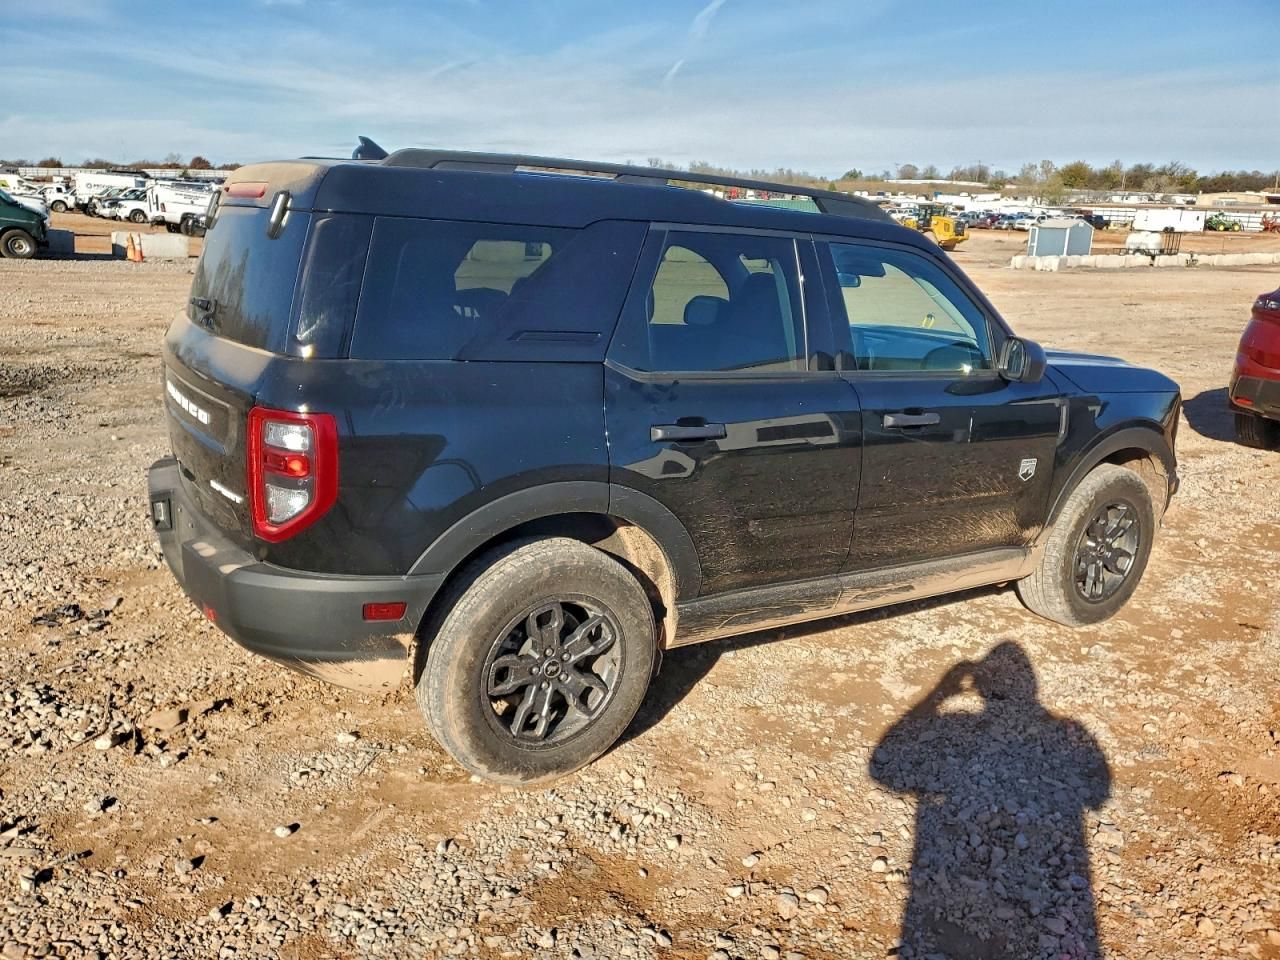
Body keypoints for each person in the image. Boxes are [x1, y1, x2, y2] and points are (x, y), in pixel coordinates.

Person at [870, 643, 1111, 959]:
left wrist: (939, 694)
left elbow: (881, 769)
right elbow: (1099, 795)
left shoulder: (959, 722)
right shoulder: (1066, 732)